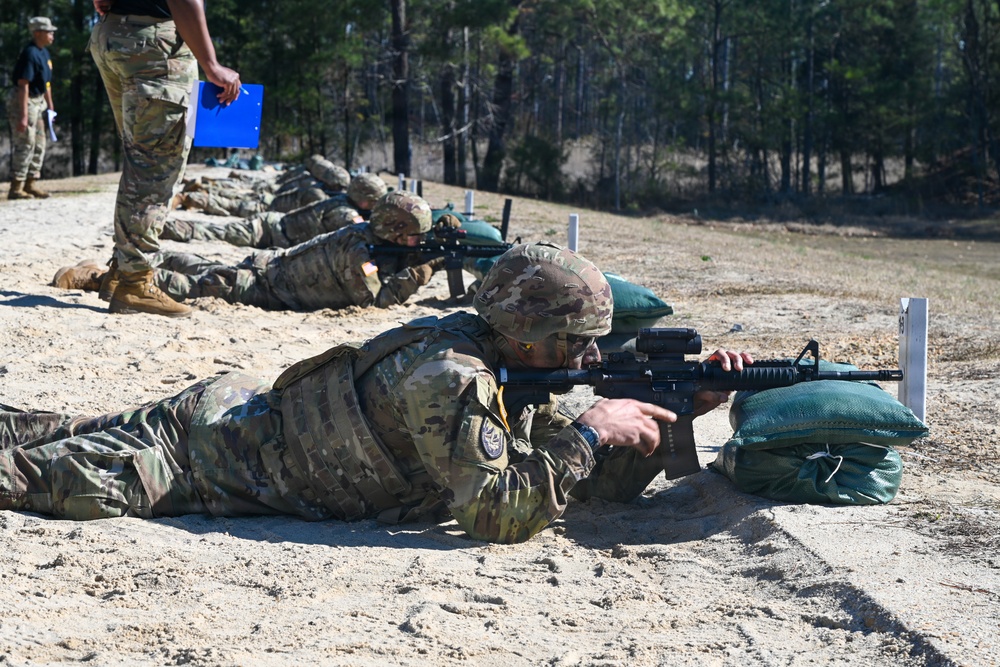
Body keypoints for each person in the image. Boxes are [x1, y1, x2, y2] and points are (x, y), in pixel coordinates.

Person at [7, 241, 752, 544]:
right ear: (525, 334)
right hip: (205, 458)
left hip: (229, 415)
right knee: (38, 476)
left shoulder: (498, 358)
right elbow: (496, 511)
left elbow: (568, 484)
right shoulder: (451, 376)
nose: (589, 355)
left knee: (38, 429)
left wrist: (687, 407)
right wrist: (587, 430)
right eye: (576, 340)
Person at [89, 0, 242, 319]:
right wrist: (211, 64)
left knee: (139, 159)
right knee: (154, 169)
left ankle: (121, 271)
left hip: (113, 35)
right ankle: (135, 284)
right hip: (155, 46)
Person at [55, 192, 447, 312]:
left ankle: (153, 257)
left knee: (204, 267)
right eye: (413, 236)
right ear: (394, 230)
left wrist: (420, 253)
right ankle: (97, 279)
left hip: (268, 269)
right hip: (265, 287)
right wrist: (422, 271)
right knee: (194, 285)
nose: (415, 244)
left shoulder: (366, 235)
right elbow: (374, 298)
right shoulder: (358, 251)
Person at [162, 172, 388, 248]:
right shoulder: (345, 212)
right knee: (213, 231)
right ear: (365, 200)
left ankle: (191, 198)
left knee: (228, 207)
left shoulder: (340, 200)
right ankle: (163, 227)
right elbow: (359, 232)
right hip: (267, 229)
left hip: (272, 224)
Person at [6, 17, 57, 201]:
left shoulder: (44, 53)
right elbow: (23, 84)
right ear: (37, 33)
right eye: (48, 31)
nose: (52, 34)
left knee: (40, 143)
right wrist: (23, 116)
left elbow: (47, 83)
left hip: (38, 101)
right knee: (25, 142)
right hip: (24, 101)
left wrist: (50, 106)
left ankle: (31, 184)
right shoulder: (30, 53)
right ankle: (16, 187)